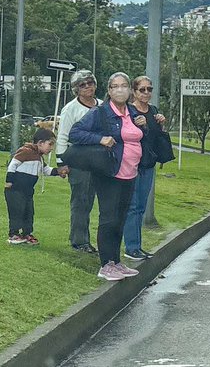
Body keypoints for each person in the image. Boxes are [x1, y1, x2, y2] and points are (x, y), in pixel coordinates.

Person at [69, 72, 150, 282]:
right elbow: (75, 133)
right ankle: (106, 264)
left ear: (129, 91)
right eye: (116, 86)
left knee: (121, 218)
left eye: (124, 85)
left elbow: (140, 138)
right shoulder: (101, 112)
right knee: (109, 218)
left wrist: (144, 125)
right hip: (110, 171)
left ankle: (116, 261)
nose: (120, 89)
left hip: (130, 172)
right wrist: (101, 138)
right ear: (109, 90)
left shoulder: (132, 111)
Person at [56, 69, 100, 255]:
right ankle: (79, 241)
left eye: (90, 82)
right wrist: (61, 162)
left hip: (101, 160)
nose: (88, 87)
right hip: (79, 160)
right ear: (76, 89)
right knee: (81, 201)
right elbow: (62, 136)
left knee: (97, 202)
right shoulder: (70, 109)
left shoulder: (103, 105)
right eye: (83, 84)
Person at [123, 75, 166, 261]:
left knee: (141, 206)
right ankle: (131, 247)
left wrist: (160, 123)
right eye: (142, 89)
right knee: (132, 206)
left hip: (148, 164)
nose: (146, 93)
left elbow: (155, 138)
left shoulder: (153, 111)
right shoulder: (128, 111)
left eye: (149, 89)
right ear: (134, 91)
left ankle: (137, 246)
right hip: (132, 164)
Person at [5, 129, 69, 245]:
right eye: (50, 144)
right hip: (15, 189)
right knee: (16, 211)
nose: (51, 148)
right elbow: (13, 165)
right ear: (40, 143)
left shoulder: (39, 157)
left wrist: (58, 171)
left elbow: (45, 170)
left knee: (28, 212)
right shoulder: (25, 151)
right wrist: (9, 181)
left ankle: (27, 233)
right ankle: (13, 234)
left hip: (28, 191)